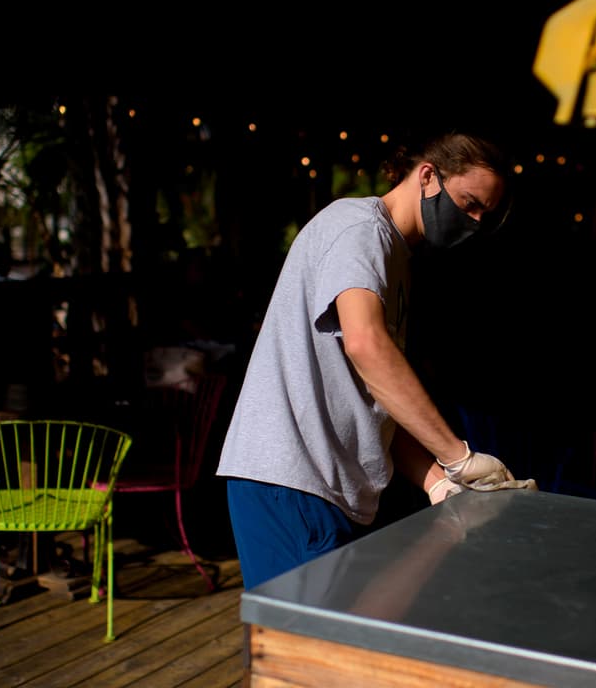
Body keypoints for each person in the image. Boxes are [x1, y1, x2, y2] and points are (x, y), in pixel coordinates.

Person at [216, 131, 535, 589]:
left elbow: (376, 396)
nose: (474, 221)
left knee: (331, 645)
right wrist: (457, 457)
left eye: (484, 213)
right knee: (300, 651)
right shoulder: (360, 229)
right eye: (469, 203)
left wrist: (436, 484)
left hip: (329, 487)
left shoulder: (397, 257)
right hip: (293, 479)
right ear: (428, 176)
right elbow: (366, 345)